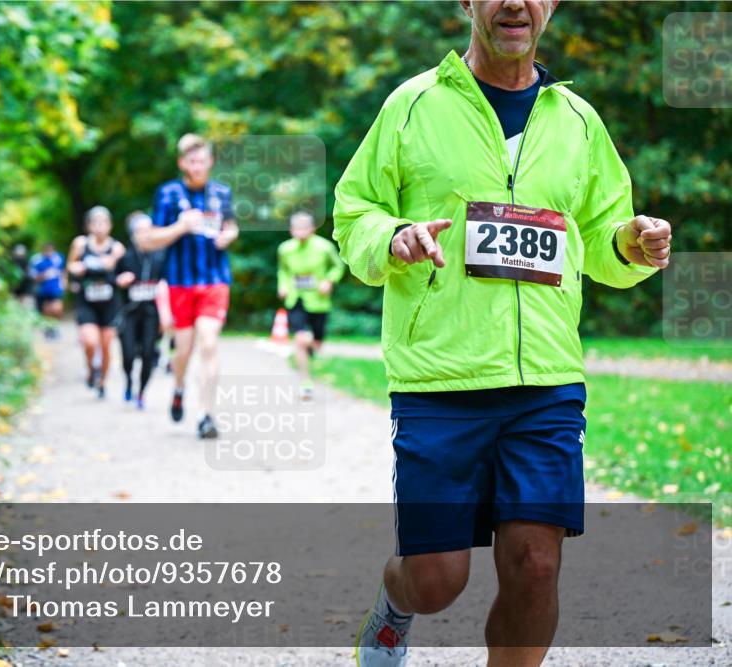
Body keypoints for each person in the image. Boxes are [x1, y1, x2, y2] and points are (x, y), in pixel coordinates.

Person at [332, 2, 673, 666]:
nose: (514, 2)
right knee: (436, 581)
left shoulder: (577, 122)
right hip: (439, 378)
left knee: (536, 564)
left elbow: (603, 237)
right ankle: (395, 604)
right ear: (467, 2)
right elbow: (354, 212)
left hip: (545, 383)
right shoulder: (413, 105)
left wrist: (631, 242)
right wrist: (391, 236)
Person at [138, 133, 239, 439]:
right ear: (183, 163)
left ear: (210, 162)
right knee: (183, 350)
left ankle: (206, 415)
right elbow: (151, 239)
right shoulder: (168, 194)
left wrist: (228, 236)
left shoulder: (222, 193)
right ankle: (179, 386)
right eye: (191, 160)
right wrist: (181, 226)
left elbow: (231, 225)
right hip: (180, 281)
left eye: (202, 160)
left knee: (209, 343)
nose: (197, 165)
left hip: (214, 280)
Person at [276, 211, 345, 400]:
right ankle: (305, 382)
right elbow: (283, 270)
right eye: (296, 228)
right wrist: (282, 285)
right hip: (296, 298)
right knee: (299, 339)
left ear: (312, 229)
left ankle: (311, 347)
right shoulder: (285, 249)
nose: (300, 232)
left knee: (317, 343)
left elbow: (338, 266)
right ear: (291, 230)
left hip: (319, 301)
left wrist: (329, 281)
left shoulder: (324, 247)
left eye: (304, 228)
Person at [67, 206, 125, 399]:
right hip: (87, 300)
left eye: (104, 222)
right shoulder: (80, 244)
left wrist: (116, 270)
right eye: (96, 222)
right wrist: (77, 269)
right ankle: (92, 369)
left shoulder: (117, 248)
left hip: (109, 302)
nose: (100, 226)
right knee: (91, 342)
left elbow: (124, 271)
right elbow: (70, 266)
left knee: (107, 343)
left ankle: (102, 382)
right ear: (89, 225)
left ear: (110, 225)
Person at [115, 211, 168, 409]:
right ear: (133, 234)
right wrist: (119, 281)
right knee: (128, 354)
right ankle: (129, 380)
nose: (145, 234)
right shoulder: (125, 258)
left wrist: (166, 316)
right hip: (129, 313)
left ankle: (142, 393)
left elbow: (168, 286)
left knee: (148, 354)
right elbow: (112, 281)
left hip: (151, 314)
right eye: (140, 231)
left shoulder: (161, 257)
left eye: (149, 230)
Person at [28, 242, 65, 339]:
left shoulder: (59, 258)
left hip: (55, 289)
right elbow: (33, 276)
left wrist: (64, 283)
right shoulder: (36, 260)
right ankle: (49, 329)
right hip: (42, 290)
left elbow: (63, 271)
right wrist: (44, 275)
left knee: (57, 308)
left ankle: (55, 327)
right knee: (46, 311)